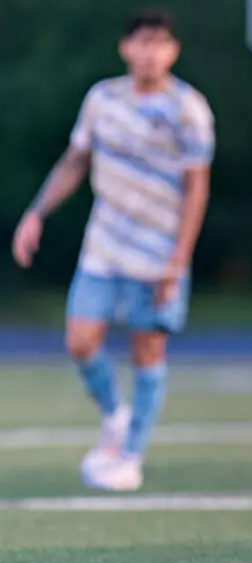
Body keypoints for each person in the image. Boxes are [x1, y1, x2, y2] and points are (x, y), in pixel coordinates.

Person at [10, 9, 215, 492]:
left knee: (148, 349)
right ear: (126, 47)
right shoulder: (102, 99)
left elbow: (197, 189)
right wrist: (36, 212)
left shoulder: (188, 108)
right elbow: (74, 160)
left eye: (160, 43)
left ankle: (131, 456)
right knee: (80, 340)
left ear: (174, 51)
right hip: (103, 245)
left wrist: (178, 260)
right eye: (142, 42)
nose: (150, 52)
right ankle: (114, 415)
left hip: (159, 251)